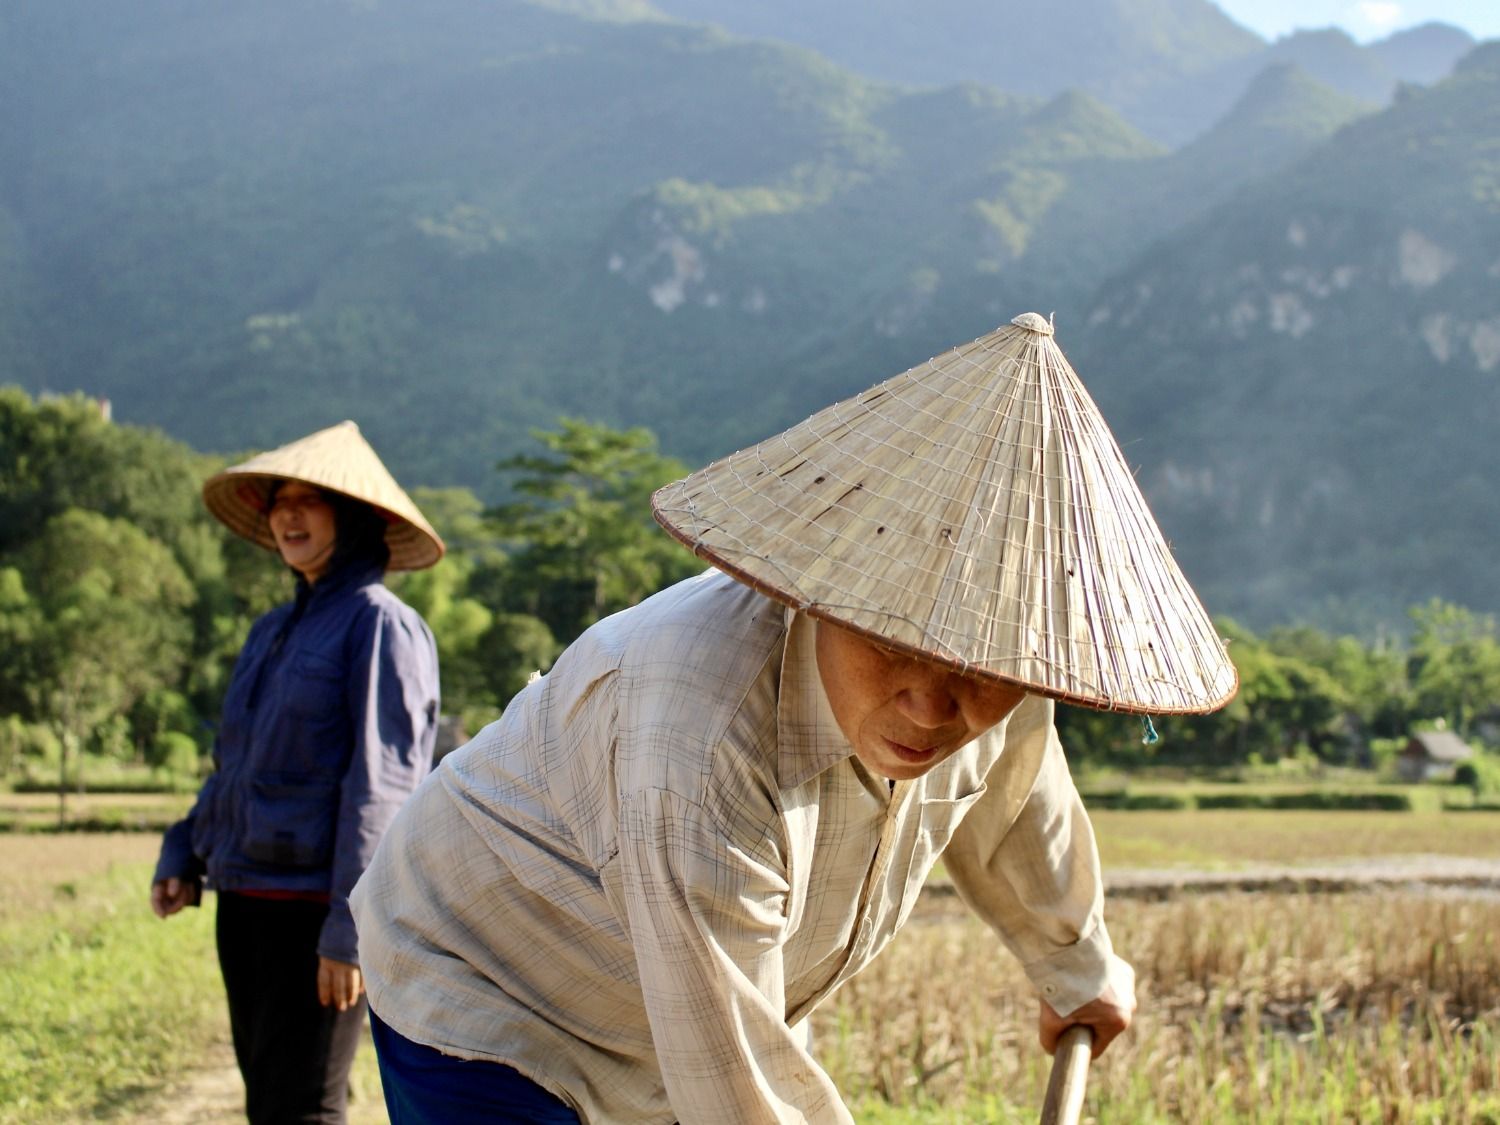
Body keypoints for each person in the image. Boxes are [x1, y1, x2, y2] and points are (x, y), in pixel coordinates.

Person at [351, 314, 1239, 1123]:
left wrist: (1076, 968)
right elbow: (740, 1094)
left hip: (677, 1015)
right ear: (824, 592)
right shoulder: (695, 733)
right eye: (892, 644)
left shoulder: (1006, 657)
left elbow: (1015, 808)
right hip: (495, 991)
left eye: (978, 672)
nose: (932, 707)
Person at [151, 420, 445, 1124]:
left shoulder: (380, 624)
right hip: (245, 901)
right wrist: (184, 849)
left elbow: (383, 786)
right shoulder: (270, 631)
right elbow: (237, 766)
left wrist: (349, 929)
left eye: (308, 499)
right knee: (268, 1099)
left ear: (352, 515)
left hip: (315, 911)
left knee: (304, 1105)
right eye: (277, 500)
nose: (287, 513)